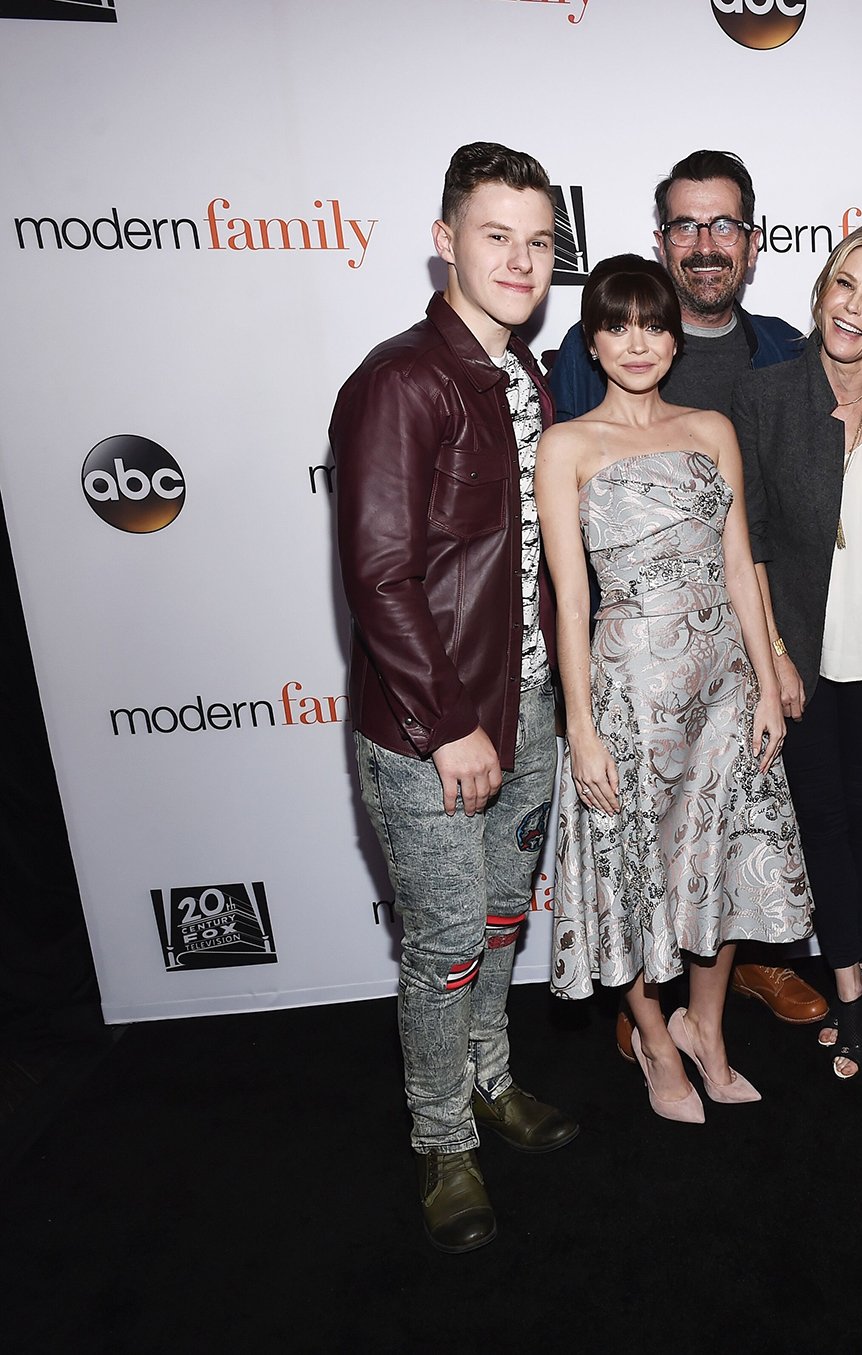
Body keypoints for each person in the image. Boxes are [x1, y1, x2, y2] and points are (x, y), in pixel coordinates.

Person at [332, 142, 579, 1254]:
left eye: (537, 242)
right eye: (496, 237)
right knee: (442, 946)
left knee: (497, 923)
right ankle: (442, 1141)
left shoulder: (518, 373)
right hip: (436, 729)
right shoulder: (399, 379)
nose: (521, 260)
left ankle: (490, 1080)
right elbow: (379, 576)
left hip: (522, 714)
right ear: (445, 242)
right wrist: (451, 726)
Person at [546, 150, 823, 1031]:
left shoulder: (722, 415)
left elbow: (743, 563)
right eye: (617, 328)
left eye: (652, 328)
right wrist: (579, 725)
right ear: (592, 341)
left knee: (724, 848)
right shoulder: (568, 443)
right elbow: (570, 596)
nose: (637, 342)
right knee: (632, 854)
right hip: (630, 683)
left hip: (725, 684)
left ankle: (704, 1023)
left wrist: (770, 669)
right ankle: (648, 1034)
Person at [732, 225, 862, 1080]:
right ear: (821, 289)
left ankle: (861, 969)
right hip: (803, 650)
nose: (852, 307)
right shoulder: (766, 395)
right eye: (843, 285)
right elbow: (747, 539)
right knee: (821, 812)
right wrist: (774, 655)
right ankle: (853, 985)